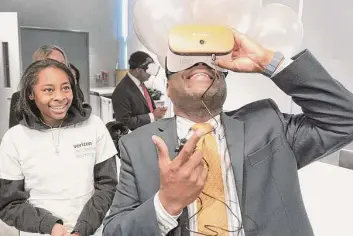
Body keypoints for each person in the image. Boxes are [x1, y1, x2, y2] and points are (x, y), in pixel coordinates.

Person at [102, 30, 353, 236]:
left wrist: (270, 63)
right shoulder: (137, 146)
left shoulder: (267, 122)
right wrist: (165, 205)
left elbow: (345, 120)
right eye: (186, 59)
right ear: (167, 87)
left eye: (209, 61)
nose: (200, 63)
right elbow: (114, 231)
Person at [0, 59, 118, 236]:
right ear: (30, 94)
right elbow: (9, 204)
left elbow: (107, 185)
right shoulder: (14, 139)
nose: (60, 97)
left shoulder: (94, 126)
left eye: (66, 87)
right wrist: (51, 226)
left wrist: (83, 228)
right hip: (39, 232)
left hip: (91, 230)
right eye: (48, 89)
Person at [9, 45, 70, 128]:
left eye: (62, 64)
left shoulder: (72, 94)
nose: (59, 69)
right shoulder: (19, 98)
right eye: (52, 63)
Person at [112, 51, 168, 131]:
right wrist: (152, 116)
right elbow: (124, 123)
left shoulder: (141, 84)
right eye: (149, 70)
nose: (151, 74)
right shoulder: (122, 91)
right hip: (136, 139)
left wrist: (157, 112)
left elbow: (146, 107)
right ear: (138, 70)